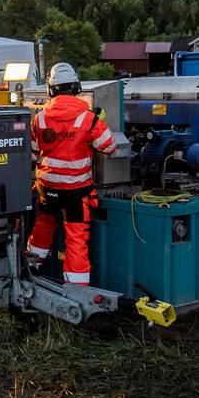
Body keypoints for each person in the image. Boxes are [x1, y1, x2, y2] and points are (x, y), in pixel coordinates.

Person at [26, 62, 117, 286]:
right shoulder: (88, 119)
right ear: (76, 87)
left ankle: (30, 269)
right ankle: (76, 289)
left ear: (51, 90)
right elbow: (109, 146)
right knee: (76, 239)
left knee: (43, 226)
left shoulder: (40, 119)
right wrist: (100, 121)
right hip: (76, 192)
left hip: (46, 190)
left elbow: (33, 154)